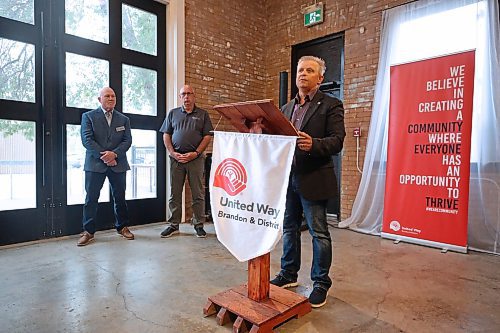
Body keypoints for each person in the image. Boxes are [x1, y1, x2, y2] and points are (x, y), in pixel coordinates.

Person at [270, 56, 346, 308]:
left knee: (319, 233)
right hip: (288, 178)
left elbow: (337, 141)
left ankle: (320, 283)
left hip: (315, 177)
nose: (302, 74)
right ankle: (289, 273)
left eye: (309, 70)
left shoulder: (331, 105)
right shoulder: (286, 108)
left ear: (320, 78)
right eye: (300, 70)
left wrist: (314, 144)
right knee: (289, 228)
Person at [77, 87, 134, 246]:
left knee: (120, 198)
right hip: (95, 164)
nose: (111, 98)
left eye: (113, 96)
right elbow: (87, 140)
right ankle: (88, 231)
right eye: (107, 96)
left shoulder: (124, 119)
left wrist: (114, 154)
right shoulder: (88, 117)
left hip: (118, 163)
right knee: (91, 198)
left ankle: (122, 227)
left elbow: (127, 141)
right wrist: (106, 156)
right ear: (99, 99)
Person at [159, 85, 213, 238]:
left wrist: (195, 153)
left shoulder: (203, 114)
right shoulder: (173, 114)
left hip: (195, 159)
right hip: (176, 159)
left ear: (194, 96)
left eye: (189, 94)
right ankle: (174, 224)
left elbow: (207, 136)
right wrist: (172, 153)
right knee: (175, 192)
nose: (187, 97)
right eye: (184, 94)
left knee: (198, 193)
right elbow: (166, 134)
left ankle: (198, 224)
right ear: (180, 97)